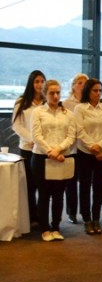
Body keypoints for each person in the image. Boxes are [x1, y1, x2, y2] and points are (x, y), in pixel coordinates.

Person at [30, 79, 76, 242]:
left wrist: (58, 150)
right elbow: (36, 135)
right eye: (52, 93)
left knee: (58, 195)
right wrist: (51, 151)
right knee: (43, 195)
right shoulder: (38, 112)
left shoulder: (68, 114)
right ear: (45, 93)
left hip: (62, 156)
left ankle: (56, 227)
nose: (56, 96)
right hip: (41, 158)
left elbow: (71, 136)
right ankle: (44, 228)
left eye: (58, 92)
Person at [74, 78, 102, 235]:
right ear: (88, 92)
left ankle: (96, 218)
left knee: (99, 186)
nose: (98, 93)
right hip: (85, 152)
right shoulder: (80, 108)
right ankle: (86, 219)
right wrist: (93, 147)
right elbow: (80, 130)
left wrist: (100, 146)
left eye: (99, 91)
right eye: (94, 90)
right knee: (84, 186)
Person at [12, 70, 46, 226]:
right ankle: (31, 217)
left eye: (42, 81)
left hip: (43, 150)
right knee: (30, 185)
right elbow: (16, 125)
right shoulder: (21, 101)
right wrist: (33, 139)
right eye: (37, 81)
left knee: (44, 185)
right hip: (27, 148)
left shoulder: (47, 103)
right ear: (31, 83)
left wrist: (41, 142)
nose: (40, 84)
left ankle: (42, 216)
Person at [62, 73, 88, 224]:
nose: (82, 85)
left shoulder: (88, 103)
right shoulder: (66, 104)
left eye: (85, 83)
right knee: (70, 182)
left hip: (85, 148)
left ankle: (86, 213)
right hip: (71, 148)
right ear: (73, 86)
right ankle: (71, 212)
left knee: (84, 182)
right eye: (79, 83)